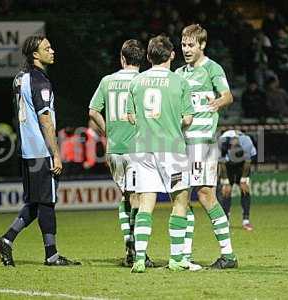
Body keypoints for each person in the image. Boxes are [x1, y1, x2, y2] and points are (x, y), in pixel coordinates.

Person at [0, 35, 79, 267]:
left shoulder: (19, 78)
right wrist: (56, 153)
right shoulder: (41, 81)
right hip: (41, 150)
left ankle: (6, 240)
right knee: (47, 202)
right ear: (35, 55)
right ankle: (51, 255)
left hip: (26, 150)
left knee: (35, 201)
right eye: (47, 48)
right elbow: (45, 120)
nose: (52, 51)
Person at [127, 34, 202, 273]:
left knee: (145, 202)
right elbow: (188, 119)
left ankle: (139, 258)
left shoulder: (136, 82)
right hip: (172, 148)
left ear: (148, 57)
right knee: (180, 200)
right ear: (172, 55)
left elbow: (131, 117)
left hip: (143, 149)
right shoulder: (179, 82)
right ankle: (176, 258)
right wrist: (173, 124)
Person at [175, 24, 237, 269]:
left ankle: (228, 254)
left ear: (202, 45)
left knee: (205, 194)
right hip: (181, 143)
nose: (186, 49)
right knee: (182, 196)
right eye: (183, 44)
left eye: (191, 45)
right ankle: (184, 256)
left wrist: (217, 103)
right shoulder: (179, 73)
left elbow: (228, 95)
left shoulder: (212, 68)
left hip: (203, 142)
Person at [88, 39, 154, 267]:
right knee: (139, 197)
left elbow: (93, 111)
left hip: (114, 149)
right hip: (137, 148)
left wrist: (109, 129)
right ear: (142, 59)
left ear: (122, 58)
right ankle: (137, 249)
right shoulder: (145, 80)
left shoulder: (107, 81)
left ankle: (130, 244)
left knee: (126, 195)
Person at [218, 130, 257, 231]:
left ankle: (246, 221)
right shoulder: (222, 145)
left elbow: (248, 162)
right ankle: (225, 220)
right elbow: (222, 164)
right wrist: (226, 182)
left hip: (242, 165)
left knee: (245, 190)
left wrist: (243, 180)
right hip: (228, 166)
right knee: (226, 191)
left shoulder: (247, 144)